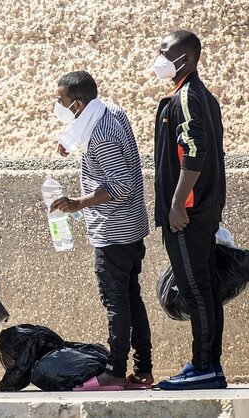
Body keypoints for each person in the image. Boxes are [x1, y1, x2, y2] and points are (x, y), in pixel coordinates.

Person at [49, 71, 153, 391]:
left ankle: (116, 371)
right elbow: (101, 144)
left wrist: (78, 203)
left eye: (62, 101)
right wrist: (70, 142)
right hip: (131, 228)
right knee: (132, 300)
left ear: (78, 104)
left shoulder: (100, 136)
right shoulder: (110, 111)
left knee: (116, 302)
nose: (57, 105)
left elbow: (119, 184)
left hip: (114, 232)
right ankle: (144, 370)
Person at [151, 30, 227, 390]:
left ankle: (204, 367)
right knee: (206, 288)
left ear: (186, 59)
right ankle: (209, 365)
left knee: (195, 289)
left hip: (190, 214)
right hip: (202, 211)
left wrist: (177, 204)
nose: (159, 57)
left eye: (165, 52)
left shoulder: (187, 97)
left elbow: (193, 154)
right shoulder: (200, 96)